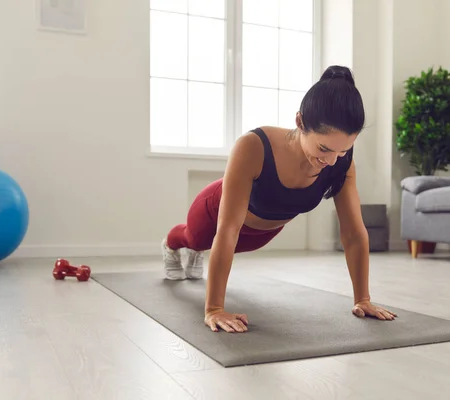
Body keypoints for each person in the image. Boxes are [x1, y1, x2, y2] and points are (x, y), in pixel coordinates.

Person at [161, 65, 397, 333]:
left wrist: (362, 299)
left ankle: (196, 255)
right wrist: (214, 308)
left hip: (261, 233)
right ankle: (171, 246)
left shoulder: (341, 164)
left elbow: (354, 233)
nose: (331, 160)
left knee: (214, 246)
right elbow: (228, 229)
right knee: (193, 239)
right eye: (324, 148)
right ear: (299, 122)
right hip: (215, 212)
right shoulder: (253, 145)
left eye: (343, 150)